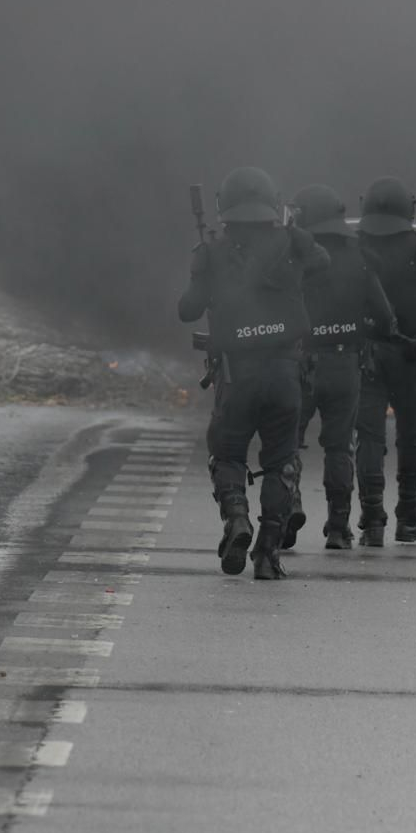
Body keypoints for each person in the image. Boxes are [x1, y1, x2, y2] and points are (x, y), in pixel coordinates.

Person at [178, 167, 329, 579]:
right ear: (272, 204)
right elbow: (322, 262)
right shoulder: (293, 245)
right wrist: (295, 235)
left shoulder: (212, 252)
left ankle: (236, 518)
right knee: (282, 461)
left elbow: (187, 310)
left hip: (237, 375)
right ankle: (267, 553)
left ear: (224, 207)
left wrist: (204, 268)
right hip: (285, 373)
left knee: (227, 453)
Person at [286, 184, 394, 550]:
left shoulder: (295, 256)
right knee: (339, 447)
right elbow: (385, 319)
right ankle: (338, 526)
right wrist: (359, 330)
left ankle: (287, 506)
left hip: (300, 363)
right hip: (345, 364)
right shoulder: (360, 257)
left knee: (287, 442)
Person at [354, 176, 416, 546]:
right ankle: (408, 518)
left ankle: (371, 518)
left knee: (368, 436)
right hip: (409, 356)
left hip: (365, 355)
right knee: (411, 436)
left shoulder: (356, 246)